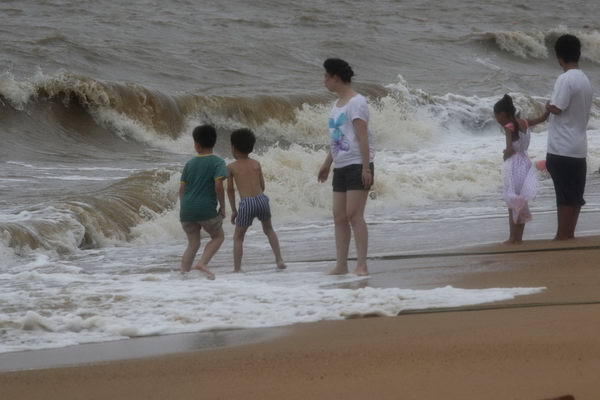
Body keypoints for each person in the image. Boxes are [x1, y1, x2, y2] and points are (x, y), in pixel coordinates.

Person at [317, 58, 374, 276]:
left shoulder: (357, 102)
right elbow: (337, 138)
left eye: (326, 76)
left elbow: (362, 137)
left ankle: (362, 264)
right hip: (340, 165)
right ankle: (341, 264)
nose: (324, 81)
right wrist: (326, 164)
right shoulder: (336, 105)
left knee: (354, 214)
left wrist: (366, 168)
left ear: (336, 78)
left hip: (357, 164)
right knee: (338, 216)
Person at [545, 34, 593, 240]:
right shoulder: (585, 79)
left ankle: (562, 237)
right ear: (578, 54)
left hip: (561, 148)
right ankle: (569, 234)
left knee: (564, 198)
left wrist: (547, 106)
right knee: (574, 197)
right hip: (579, 148)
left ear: (559, 56)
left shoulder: (565, 78)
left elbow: (557, 107)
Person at [226, 128, 286, 272]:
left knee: (238, 237)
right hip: (261, 200)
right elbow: (262, 186)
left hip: (246, 203)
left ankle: (237, 269)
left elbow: (230, 190)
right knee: (269, 230)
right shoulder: (256, 164)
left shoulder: (231, 167)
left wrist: (234, 210)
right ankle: (279, 260)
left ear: (233, 147)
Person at [494, 94, 549, 244]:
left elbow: (510, 150)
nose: (497, 120)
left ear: (503, 114)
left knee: (512, 202)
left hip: (513, 165)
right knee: (521, 201)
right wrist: (547, 110)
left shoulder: (509, 127)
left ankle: (513, 238)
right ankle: (519, 237)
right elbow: (542, 119)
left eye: (497, 116)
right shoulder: (524, 122)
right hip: (525, 163)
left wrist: (505, 154)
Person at [179, 124, 227, 279]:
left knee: (193, 244)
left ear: (197, 145)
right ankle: (202, 262)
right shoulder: (217, 162)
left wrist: (184, 206)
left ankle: (183, 274)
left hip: (186, 210)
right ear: (213, 142)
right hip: (206, 209)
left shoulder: (189, 164)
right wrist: (223, 207)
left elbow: (181, 189)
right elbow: (218, 185)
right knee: (218, 236)